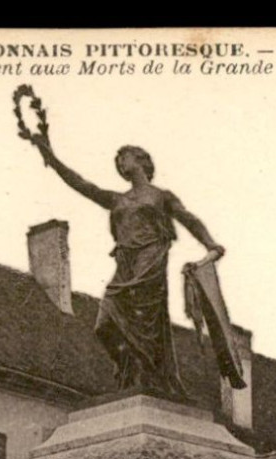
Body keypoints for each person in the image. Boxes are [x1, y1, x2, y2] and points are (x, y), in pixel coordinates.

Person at [32, 137, 225, 396]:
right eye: (118, 161)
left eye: (124, 157)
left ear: (142, 161)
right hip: (125, 263)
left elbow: (189, 219)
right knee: (103, 324)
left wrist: (211, 244)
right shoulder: (117, 199)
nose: (120, 163)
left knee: (146, 322)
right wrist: (52, 158)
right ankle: (130, 370)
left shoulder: (161, 197)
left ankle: (148, 377)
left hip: (150, 260)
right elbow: (82, 185)